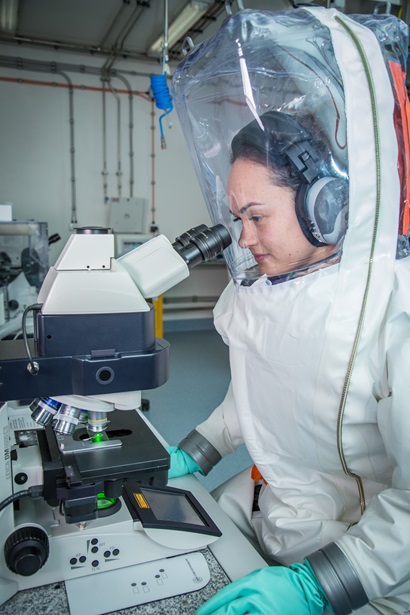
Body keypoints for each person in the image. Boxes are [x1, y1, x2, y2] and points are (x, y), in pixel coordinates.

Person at [170, 6, 410, 615]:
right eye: (236, 219)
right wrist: (188, 456)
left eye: (256, 217)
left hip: (367, 559)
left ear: (322, 206)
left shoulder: (390, 311)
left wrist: (314, 588)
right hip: (277, 503)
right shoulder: (267, 290)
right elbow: (254, 393)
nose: (243, 239)